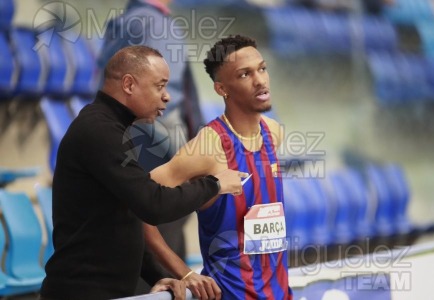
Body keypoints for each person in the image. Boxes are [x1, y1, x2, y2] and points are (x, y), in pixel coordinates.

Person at [39, 45, 246, 300]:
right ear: (128, 84)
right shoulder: (98, 131)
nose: (167, 96)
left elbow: (122, 222)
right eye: (160, 86)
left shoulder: (111, 129)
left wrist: (157, 275)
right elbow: (153, 204)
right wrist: (213, 185)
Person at [144, 35, 293, 299]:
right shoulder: (209, 146)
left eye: (262, 68)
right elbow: (138, 199)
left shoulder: (273, 133)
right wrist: (184, 271)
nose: (260, 80)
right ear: (221, 89)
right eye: (244, 74)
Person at [97, 0, 205, 289]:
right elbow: (161, 102)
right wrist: (187, 160)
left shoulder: (127, 20)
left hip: (135, 152)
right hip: (158, 158)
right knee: (161, 260)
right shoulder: (152, 23)